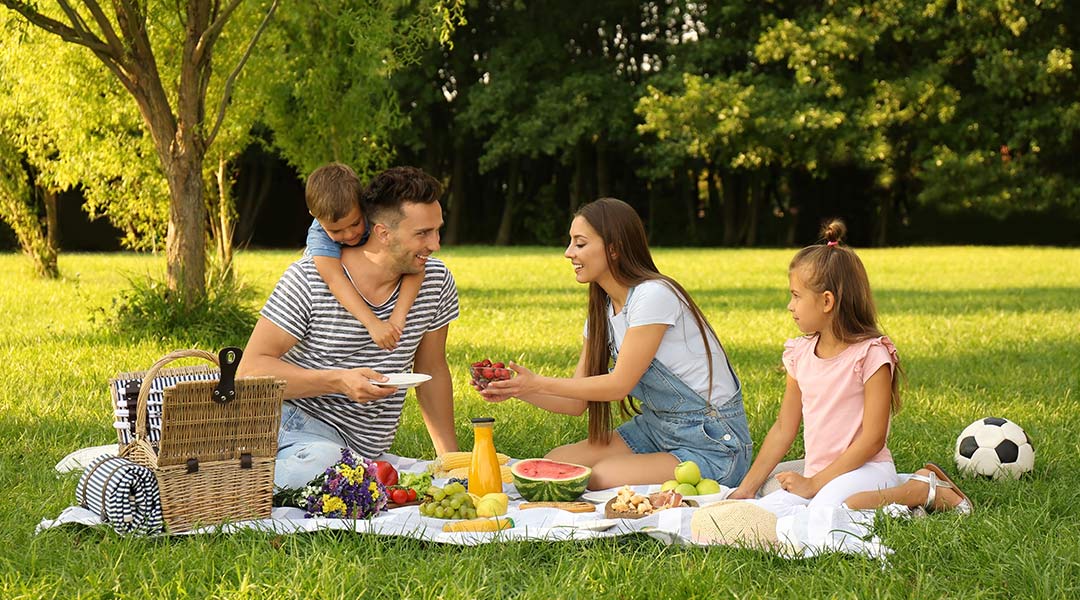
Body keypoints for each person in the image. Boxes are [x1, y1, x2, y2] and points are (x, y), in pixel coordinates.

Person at [479, 198, 752, 490]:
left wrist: (539, 383)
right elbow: (575, 403)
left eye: (579, 244)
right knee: (556, 461)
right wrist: (516, 388)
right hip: (656, 429)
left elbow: (618, 384)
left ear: (614, 247)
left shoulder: (654, 296)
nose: (568, 253)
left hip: (711, 443)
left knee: (602, 476)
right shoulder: (603, 312)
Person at [238, 166, 460, 490]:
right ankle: (212, 486)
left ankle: (347, 471)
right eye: (423, 234)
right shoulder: (308, 279)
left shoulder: (435, 281)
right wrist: (339, 381)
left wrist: (451, 463)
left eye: (437, 230)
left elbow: (432, 369)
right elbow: (249, 373)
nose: (436, 244)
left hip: (361, 450)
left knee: (346, 470)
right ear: (383, 232)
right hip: (293, 426)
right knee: (326, 464)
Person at [726, 219, 956, 518]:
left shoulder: (871, 356)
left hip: (868, 469)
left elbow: (873, 440)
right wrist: (747, 490)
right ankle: (903, 494)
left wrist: (813, 485)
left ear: (826, 301)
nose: (789, 305)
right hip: (823, 474)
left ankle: (917, 492)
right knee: (766, 511)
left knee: (828, 512)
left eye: (796, 296)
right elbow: (784, 428)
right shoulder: (800, 355)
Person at [304, 163, 423, 350]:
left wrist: (398, 317)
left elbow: (415, 265)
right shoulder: (319, 235)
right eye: (336, 231)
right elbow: (334, 279)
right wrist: (372, 324)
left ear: (363, 204)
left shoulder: (377, 215)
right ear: (315, 217)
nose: (349, 234)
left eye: (355, 223)